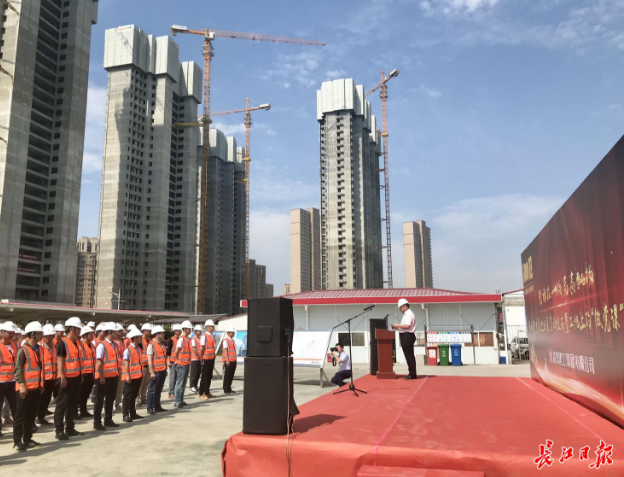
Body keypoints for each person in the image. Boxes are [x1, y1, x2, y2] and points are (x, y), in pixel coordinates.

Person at [13, 321, 44, 452]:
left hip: (36, 388)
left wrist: (41, 384)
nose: (42, 335)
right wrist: (22, 385)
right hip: (24, 389)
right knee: (20, 416)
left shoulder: (40, 349)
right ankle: (17, 441)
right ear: (32, 334)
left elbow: (40, 368)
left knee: (31, 416)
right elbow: (18, 369)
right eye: (39, 333)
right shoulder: (23, 350)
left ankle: (27, 439)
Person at [54, 317, 84, 440]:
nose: (80, 331)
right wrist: (62, 377)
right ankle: (59, 430)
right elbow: (60, 360)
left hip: (76, 377)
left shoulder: (77, 343)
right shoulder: (63, 343)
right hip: (66, 378)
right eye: (78, 329)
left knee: (72, 404)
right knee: (61, 405)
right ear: (72, 329)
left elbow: (78, 360)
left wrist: (81, 375)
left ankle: (70, 428)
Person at [93, 322, 120, 431]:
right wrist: (102, 377)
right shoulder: (101, 345)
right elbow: (99, 362)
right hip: (103, 378)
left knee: (110, 399)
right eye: (115, 332)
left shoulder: (115, 345)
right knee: (99, 400)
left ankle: (108, 419)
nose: (116, 334)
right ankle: (97, 422)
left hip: (113, 376)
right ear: (109, 332)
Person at [121, 328, 144, 422]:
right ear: (135, 338)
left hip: (138, 376)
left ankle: (133, 413)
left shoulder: (139, 349)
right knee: (127, 396)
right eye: (140, 337)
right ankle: (125, 414)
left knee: (134, 395)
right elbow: (126, 363)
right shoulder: (128, 350)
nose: (141, 339)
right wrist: (127, 376)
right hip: (131, 377)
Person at [37, 324, 57, 425]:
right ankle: (36, 417)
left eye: (50, 336)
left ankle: (41, 417)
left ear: (53, 336)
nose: (47, 338)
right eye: (45, 336)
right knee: (39, 400)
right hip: (42, 378)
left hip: (52, 378)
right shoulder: (39, 348)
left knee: (46, 399)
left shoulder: (55, 348)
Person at [393, 299, 417, 380]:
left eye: (400, 307)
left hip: (407, 336)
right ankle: (412, 373)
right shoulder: (407, 314)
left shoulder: (409, 314)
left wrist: (397, 325)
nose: (400, 309)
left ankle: (412, 374)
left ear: (404, 306)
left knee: (409, 356)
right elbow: (405, 326)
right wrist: (398, 327)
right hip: (406, 335)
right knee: (409, 356)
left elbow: (407, 326)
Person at [0, 321, 17, 438]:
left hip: (13, 381)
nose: (11, 335)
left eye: (12, 332)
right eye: (9, 332)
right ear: (2, 333)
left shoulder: (14, 345)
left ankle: (19, 427)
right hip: (1, 382)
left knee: (16, 406)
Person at [146, 325, 168, 415]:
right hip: (156, 371)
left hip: (162, 370)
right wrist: (152, 372)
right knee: (152, 390)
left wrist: (165, 369)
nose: (163, 335)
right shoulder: (151, 345)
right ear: (157, 334)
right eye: (162, 333)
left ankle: (157, 406)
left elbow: (163, 358)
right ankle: (150, 407)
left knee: (159, 389)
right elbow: (149, 360)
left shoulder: (162, 344)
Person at [173, 321, 192, 408]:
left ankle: (181, 400)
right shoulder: (181, 339)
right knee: (179, 383)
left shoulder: (188, 339)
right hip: (181, 364)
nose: (190, 330)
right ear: (184, 329)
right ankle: (177, 401)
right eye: (189, 329)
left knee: (183, 383)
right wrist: (178, 360)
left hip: (186, 363)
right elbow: (177, 351)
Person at [78, 326, 95, 419]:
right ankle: (77, 411)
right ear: (85, 335)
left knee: (86, 394)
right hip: (83, 373)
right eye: (90, 334)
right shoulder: (80, 346)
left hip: (90, 373)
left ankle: (83, 411)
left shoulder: (92, 345)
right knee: (80, 394)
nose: (92, 335)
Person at [198, 320, 217, 400]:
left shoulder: (212, 336)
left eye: (213, 326)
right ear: (207, 327)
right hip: (206, 359)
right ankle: (201, 393)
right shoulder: (204, 336)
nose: (212, 328)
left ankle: (207, 392)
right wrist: (201, 358)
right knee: (204, 377)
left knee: (209, 376)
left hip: (211, 358)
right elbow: (202, 348)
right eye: (211, 326)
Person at [137, 323, 152, 407]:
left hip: (148, 365)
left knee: (146, 384)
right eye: (148, 330)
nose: (150, 332)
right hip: (142, 365)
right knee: (140, 384)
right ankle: (137, 399)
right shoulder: (140, 341)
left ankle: (143, 399)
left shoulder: (150, 341)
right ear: (144, 331)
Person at [167, 324, 182, 399]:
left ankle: (175, 392)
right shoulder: (171, 339)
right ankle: (171, 392)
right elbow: (168, 351)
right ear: (175, 331)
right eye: (179, 330)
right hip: (173, 361)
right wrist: (168, 361)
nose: (180, 331)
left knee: (178, 378)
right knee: (172, 378)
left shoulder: (180, 339)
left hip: (179, 361)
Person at [113, 324, 125, 412]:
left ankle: (117, 403)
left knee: (120, 387)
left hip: (121, 367)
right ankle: (114, 403)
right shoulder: (113, 343)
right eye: (120, 331)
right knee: (114, 387)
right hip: (115, 368)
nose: (122, 332)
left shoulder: (121, 342)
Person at [222, 327, 238, 394]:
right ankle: (226, 389)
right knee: (227, 375)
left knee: (231, 375)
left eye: (233, 332)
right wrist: (227, 360)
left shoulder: (232, 340)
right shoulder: (226, 341)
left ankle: (229, 388)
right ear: (228, 333)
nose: (233, 334)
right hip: (228, 361)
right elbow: (225, 350)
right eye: (232, 332)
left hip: (233, 360)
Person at [189, 324, 203, 393]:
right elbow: (194, 349)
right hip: (194, 358)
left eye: (200, 331)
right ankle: (192, 386)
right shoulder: (193, 339)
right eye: (199, 331)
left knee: (198, 373)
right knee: (194, 373)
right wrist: (199, 356)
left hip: (199, 358)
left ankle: (195, 385)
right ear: (196, 331)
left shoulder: (200, 339)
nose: (200, 332)